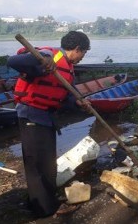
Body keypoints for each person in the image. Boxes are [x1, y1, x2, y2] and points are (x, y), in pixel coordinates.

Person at [7, 31, 92, 217]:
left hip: (45, 117)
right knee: (37, 164)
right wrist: (41, 61)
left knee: (47, 164)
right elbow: (13, 62)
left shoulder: (67, 68)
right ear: (77, 49)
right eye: (83, 53)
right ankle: (44, 209)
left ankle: (45, 201)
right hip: (31, 115)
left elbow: (66, 95)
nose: (82, 58)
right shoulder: (49, 55)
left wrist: (78, 102)